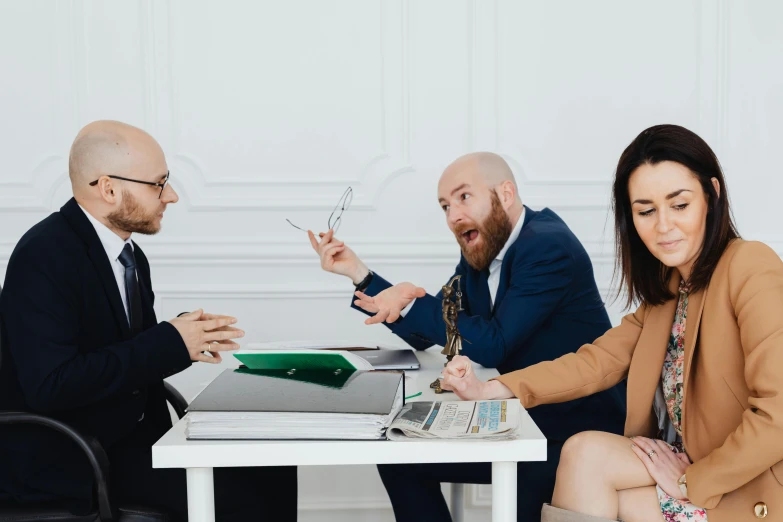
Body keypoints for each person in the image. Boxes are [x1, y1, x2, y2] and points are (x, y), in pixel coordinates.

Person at [441, 124, 783, 522]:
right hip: (691, 461)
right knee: (583, 452)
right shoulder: (672, 289)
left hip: (748, 482)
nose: (663, 226)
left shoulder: (751, 266)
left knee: (600, 496)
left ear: (712, 195)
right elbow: (595, 362)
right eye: (646, 211)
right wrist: (489, 389)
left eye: (680, 205)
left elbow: (779, 413)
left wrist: (693, 480)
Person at [0, 121, 297, 521]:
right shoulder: (44, 255)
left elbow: (127, 354)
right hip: (72, 457)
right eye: (158, 184)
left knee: (273, 465)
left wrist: (183, 339)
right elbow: (52, 386)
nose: (171, 196)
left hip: (131, 440)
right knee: (246, 494)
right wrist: (169, 342)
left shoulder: (129, 255)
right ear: (108, 188)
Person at [309, 152, 626, 521]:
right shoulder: (482, 248)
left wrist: (416, 303)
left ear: (505, 194)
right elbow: (439, 332)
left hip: (569, 431)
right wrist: (361, 275)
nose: (452, 216)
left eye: (463, 197)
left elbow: (493, 344)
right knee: (401, 459)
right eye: (444, 205)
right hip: (522, 416)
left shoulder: (547, 247)